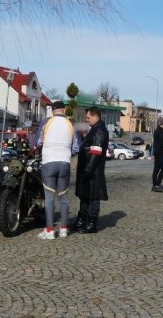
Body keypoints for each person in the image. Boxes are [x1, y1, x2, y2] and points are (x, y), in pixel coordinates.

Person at [34, 100, 78, 240]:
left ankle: (50, 231)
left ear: (53, 110)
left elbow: (37, 142)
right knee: (64, 198)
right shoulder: (70, 124)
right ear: (64, 110)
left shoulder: (46, 122)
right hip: (64, 163)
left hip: (49, 163)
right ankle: (64, 229)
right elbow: (77, 147)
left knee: (49, 199)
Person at [73, 106, 109, 233]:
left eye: (88, 117)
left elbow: (96, 152)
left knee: (93, 198)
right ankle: (82, 221)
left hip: (93, 172)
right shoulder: (95, 129)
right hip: (90, 170)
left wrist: (88, 170)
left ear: (95, 116)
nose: (87, 120)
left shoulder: (99, 131)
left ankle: (91, 224)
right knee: (85, 197)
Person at [151, 117, 163, 192]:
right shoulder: (161, 131)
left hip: (157, 152)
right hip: (161, 152)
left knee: (156, 169)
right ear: (162, 123)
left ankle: (155, 185)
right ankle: (157, 184)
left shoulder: (156, 131)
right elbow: (162, 144)